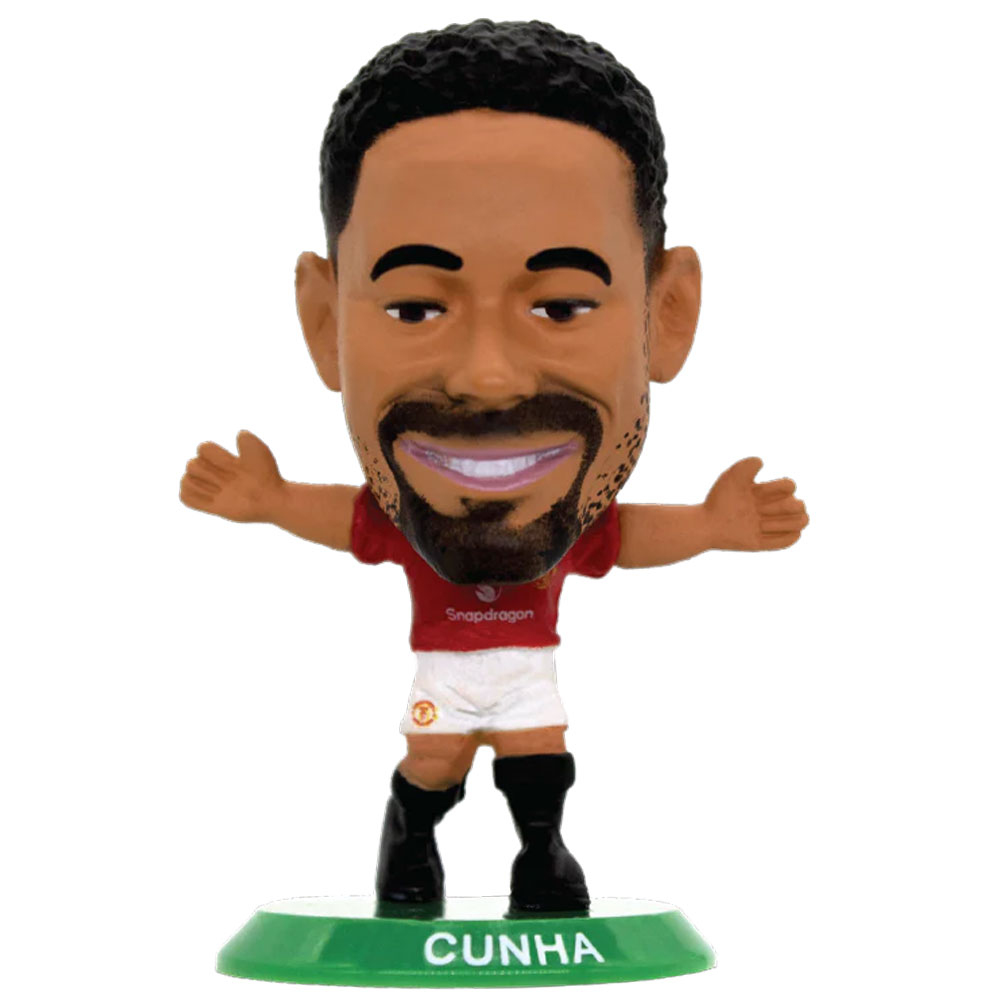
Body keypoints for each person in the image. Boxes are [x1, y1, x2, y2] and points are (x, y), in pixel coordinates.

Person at [179, 19, 808, 913]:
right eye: (412, 308)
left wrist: (713, 526)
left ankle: (542, 858)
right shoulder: (401, 524)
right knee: (433, 759)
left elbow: (627, 538)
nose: (487, 377)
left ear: (664, 315)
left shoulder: (572, 526)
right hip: (445, 675)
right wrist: (272, 499)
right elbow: (347, 521)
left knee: (539, 760)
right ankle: (411, 846)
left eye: (561, 305)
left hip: (524, 670)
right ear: (325, 326)